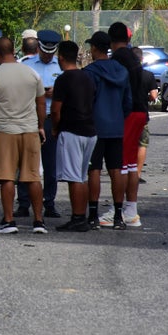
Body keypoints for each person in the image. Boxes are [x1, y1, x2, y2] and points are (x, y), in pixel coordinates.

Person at [0, 36, 47, 234]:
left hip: (6, 130)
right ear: (13, 51)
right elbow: (41, 102)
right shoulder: (31, 72)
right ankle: (39, 221)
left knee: (7, 177)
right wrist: (40, 125)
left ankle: (9, 221)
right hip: (30, 129)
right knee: (33, 177)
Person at [97, 22, 147, 228]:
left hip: (130, 113)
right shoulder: (132, 56)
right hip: (141, 111)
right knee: (132, 164)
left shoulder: (118, 58)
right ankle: (131, 209)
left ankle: (122, 210)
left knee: (122, 165)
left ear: (110, 40)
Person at [83, 31, 132, 229]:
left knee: (94, 170)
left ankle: (93, 215)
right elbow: (127, 102)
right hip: (116, 126)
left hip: (95, 126)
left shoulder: (90, 72)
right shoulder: (122, 71)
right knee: (116, 170)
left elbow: (87, 100)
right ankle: (118, 216)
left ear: (94, 48)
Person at [15, 30, 63, 219]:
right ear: (39, 48)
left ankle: (49, 203)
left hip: (51, 118)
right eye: (44, 52)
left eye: (51, 52)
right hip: (30, 118)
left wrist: (56, 93)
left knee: (51, 165)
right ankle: (23, 203)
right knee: (26, 163)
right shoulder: (26, 65)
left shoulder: (60, 65)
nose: (47, 55)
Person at [51, 41, 97, 232]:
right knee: (82, 175)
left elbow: (56, 110)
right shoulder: (87, 77)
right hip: (90, 130)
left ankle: (77, 217)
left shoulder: (63, 79)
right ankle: (82, 216)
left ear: (60, 57)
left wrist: (55, 128)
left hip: (71, 130)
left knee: (73, 177)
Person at [132, 46, 158, 183]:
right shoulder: (148, 75)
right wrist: (146, 98)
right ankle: (136, 174)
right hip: (142, 115)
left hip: (126, 115)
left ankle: (125, 173)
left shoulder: (124, 75)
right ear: (142, 59)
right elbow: (154, 96)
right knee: (142, 144)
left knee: (126, 144)